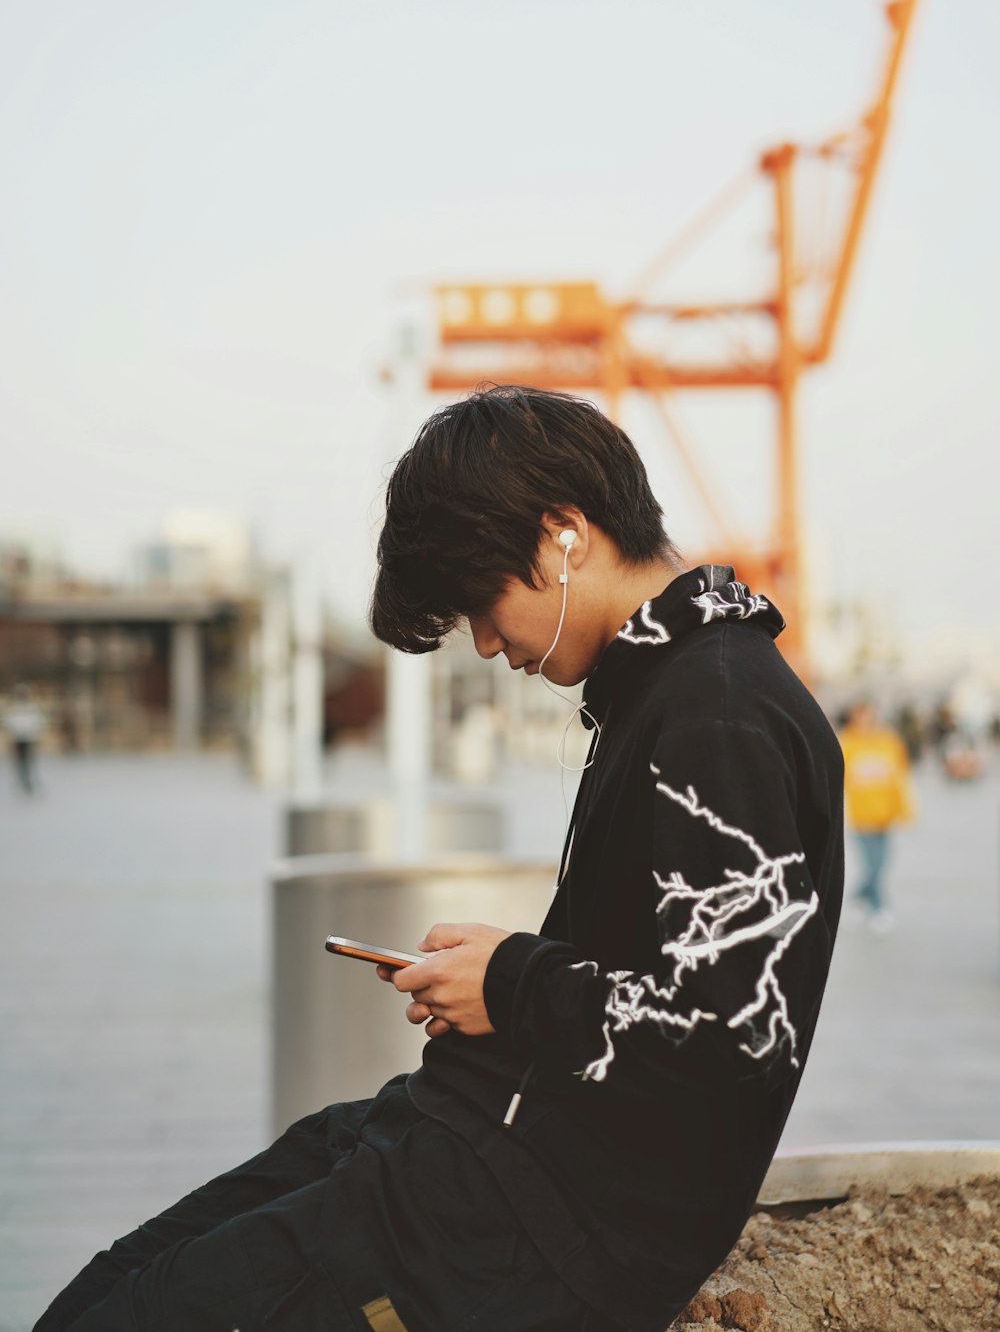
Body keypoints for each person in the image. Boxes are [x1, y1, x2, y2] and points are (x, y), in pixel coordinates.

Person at [35, 386, 844, 1332]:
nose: (489, 643)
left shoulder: (716, 711)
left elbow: (725, 1042)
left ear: (563, 533)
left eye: (483, 604)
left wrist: (510, 978)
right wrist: (499, 978)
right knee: (107, 1288)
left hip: (532, 1232)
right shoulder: (671, 686)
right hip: (477, 1145)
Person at [840, 699, 915, 932]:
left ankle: (858, 895)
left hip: (885, 814)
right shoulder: (847, 743)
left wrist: (903, 810)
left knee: (882, 863)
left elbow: (899, 776)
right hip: (861, 816)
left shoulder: (889, 741)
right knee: (873, 865)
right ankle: (879, 907)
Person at [4, 682, 44, 793]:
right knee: (20, 763)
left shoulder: (31, 707)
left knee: (29, 762)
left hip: (29, 739)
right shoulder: (14, 708)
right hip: (18, 740)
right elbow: (10, 723)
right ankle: (22, 782)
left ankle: (30, 782)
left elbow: (36, 722)